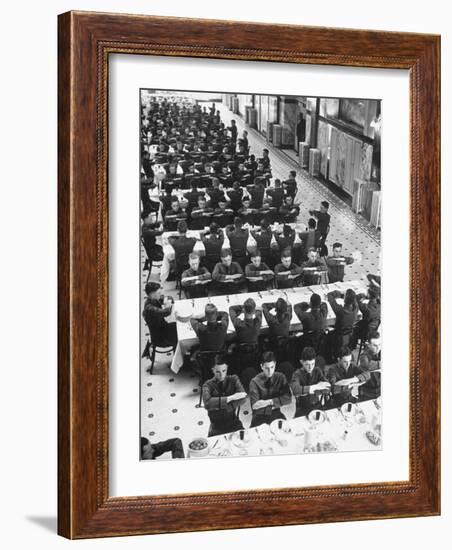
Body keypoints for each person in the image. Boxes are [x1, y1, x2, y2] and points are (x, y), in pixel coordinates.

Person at [202, 356, 247, 437]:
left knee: (244, 441)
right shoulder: (207, 385)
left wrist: (220, 406)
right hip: (216, 425)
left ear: (227, 368)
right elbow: (207, 404)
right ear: (213, 370)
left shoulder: (234, 379)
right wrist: (231, 398)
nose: (222, 375)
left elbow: (243, 398)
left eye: (224, 371)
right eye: (218, 372)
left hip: (233, 421)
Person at [249, 351, 292, 427]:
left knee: (286, 432)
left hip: (276, 414)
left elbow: (288, 399)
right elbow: (255, 406)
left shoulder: (281, 377)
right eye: (266, 368)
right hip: (259, 417)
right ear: (261, 366)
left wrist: (269, 402)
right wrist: (277, 402)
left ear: (275, 364)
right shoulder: (254, 382)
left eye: (272, 367)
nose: (270, 371)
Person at [290, 347, 331, 417]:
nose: (310, 367)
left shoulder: (317, 370)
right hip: (302, 407)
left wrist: (307, 392)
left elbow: (328, 387)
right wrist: (317, 387)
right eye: (307, 364)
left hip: (317, 404)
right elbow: (295, 390)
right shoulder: (297, 374)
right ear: (301, 362)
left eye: (313, 364)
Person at [142, 281, 178, 349]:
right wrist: (168, 305)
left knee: (178, 326)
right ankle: (177, 356)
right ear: (152, 294)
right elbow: (166, 312)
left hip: (163, 326)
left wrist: (168, 300)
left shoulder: (154, 299)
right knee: (179, 336)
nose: (160, 294)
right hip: (159, 337)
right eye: (158, 293)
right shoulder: (149, 308)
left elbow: (169, 297)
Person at [327, 288, 359, 355]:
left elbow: (329, 296)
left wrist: (337, 293)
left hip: (338, 336)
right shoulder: (355, 310)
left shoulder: (340, 311)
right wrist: (346, 296)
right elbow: (355, 301)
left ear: (344, 299)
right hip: (350, 336)